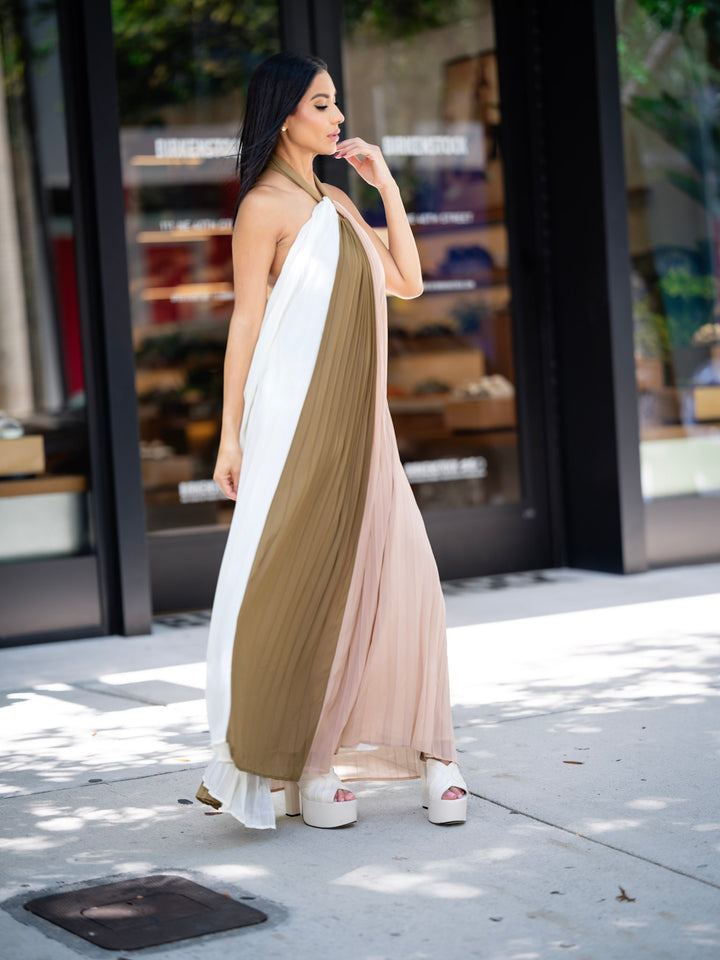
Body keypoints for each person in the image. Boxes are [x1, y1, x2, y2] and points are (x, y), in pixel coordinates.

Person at [196, 52, 467, 830]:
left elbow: (408, 284)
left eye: (337, 103)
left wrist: (384, 187)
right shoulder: (264, 208)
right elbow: (244, 323)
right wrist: (229, 436)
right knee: (295, 580)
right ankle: (306, 766)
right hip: (291, 422)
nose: (338, 117)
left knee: (405, 576)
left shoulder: (339, 203)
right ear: (286, 115)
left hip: (362, 422)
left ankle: (432, 750)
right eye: (323, 104)